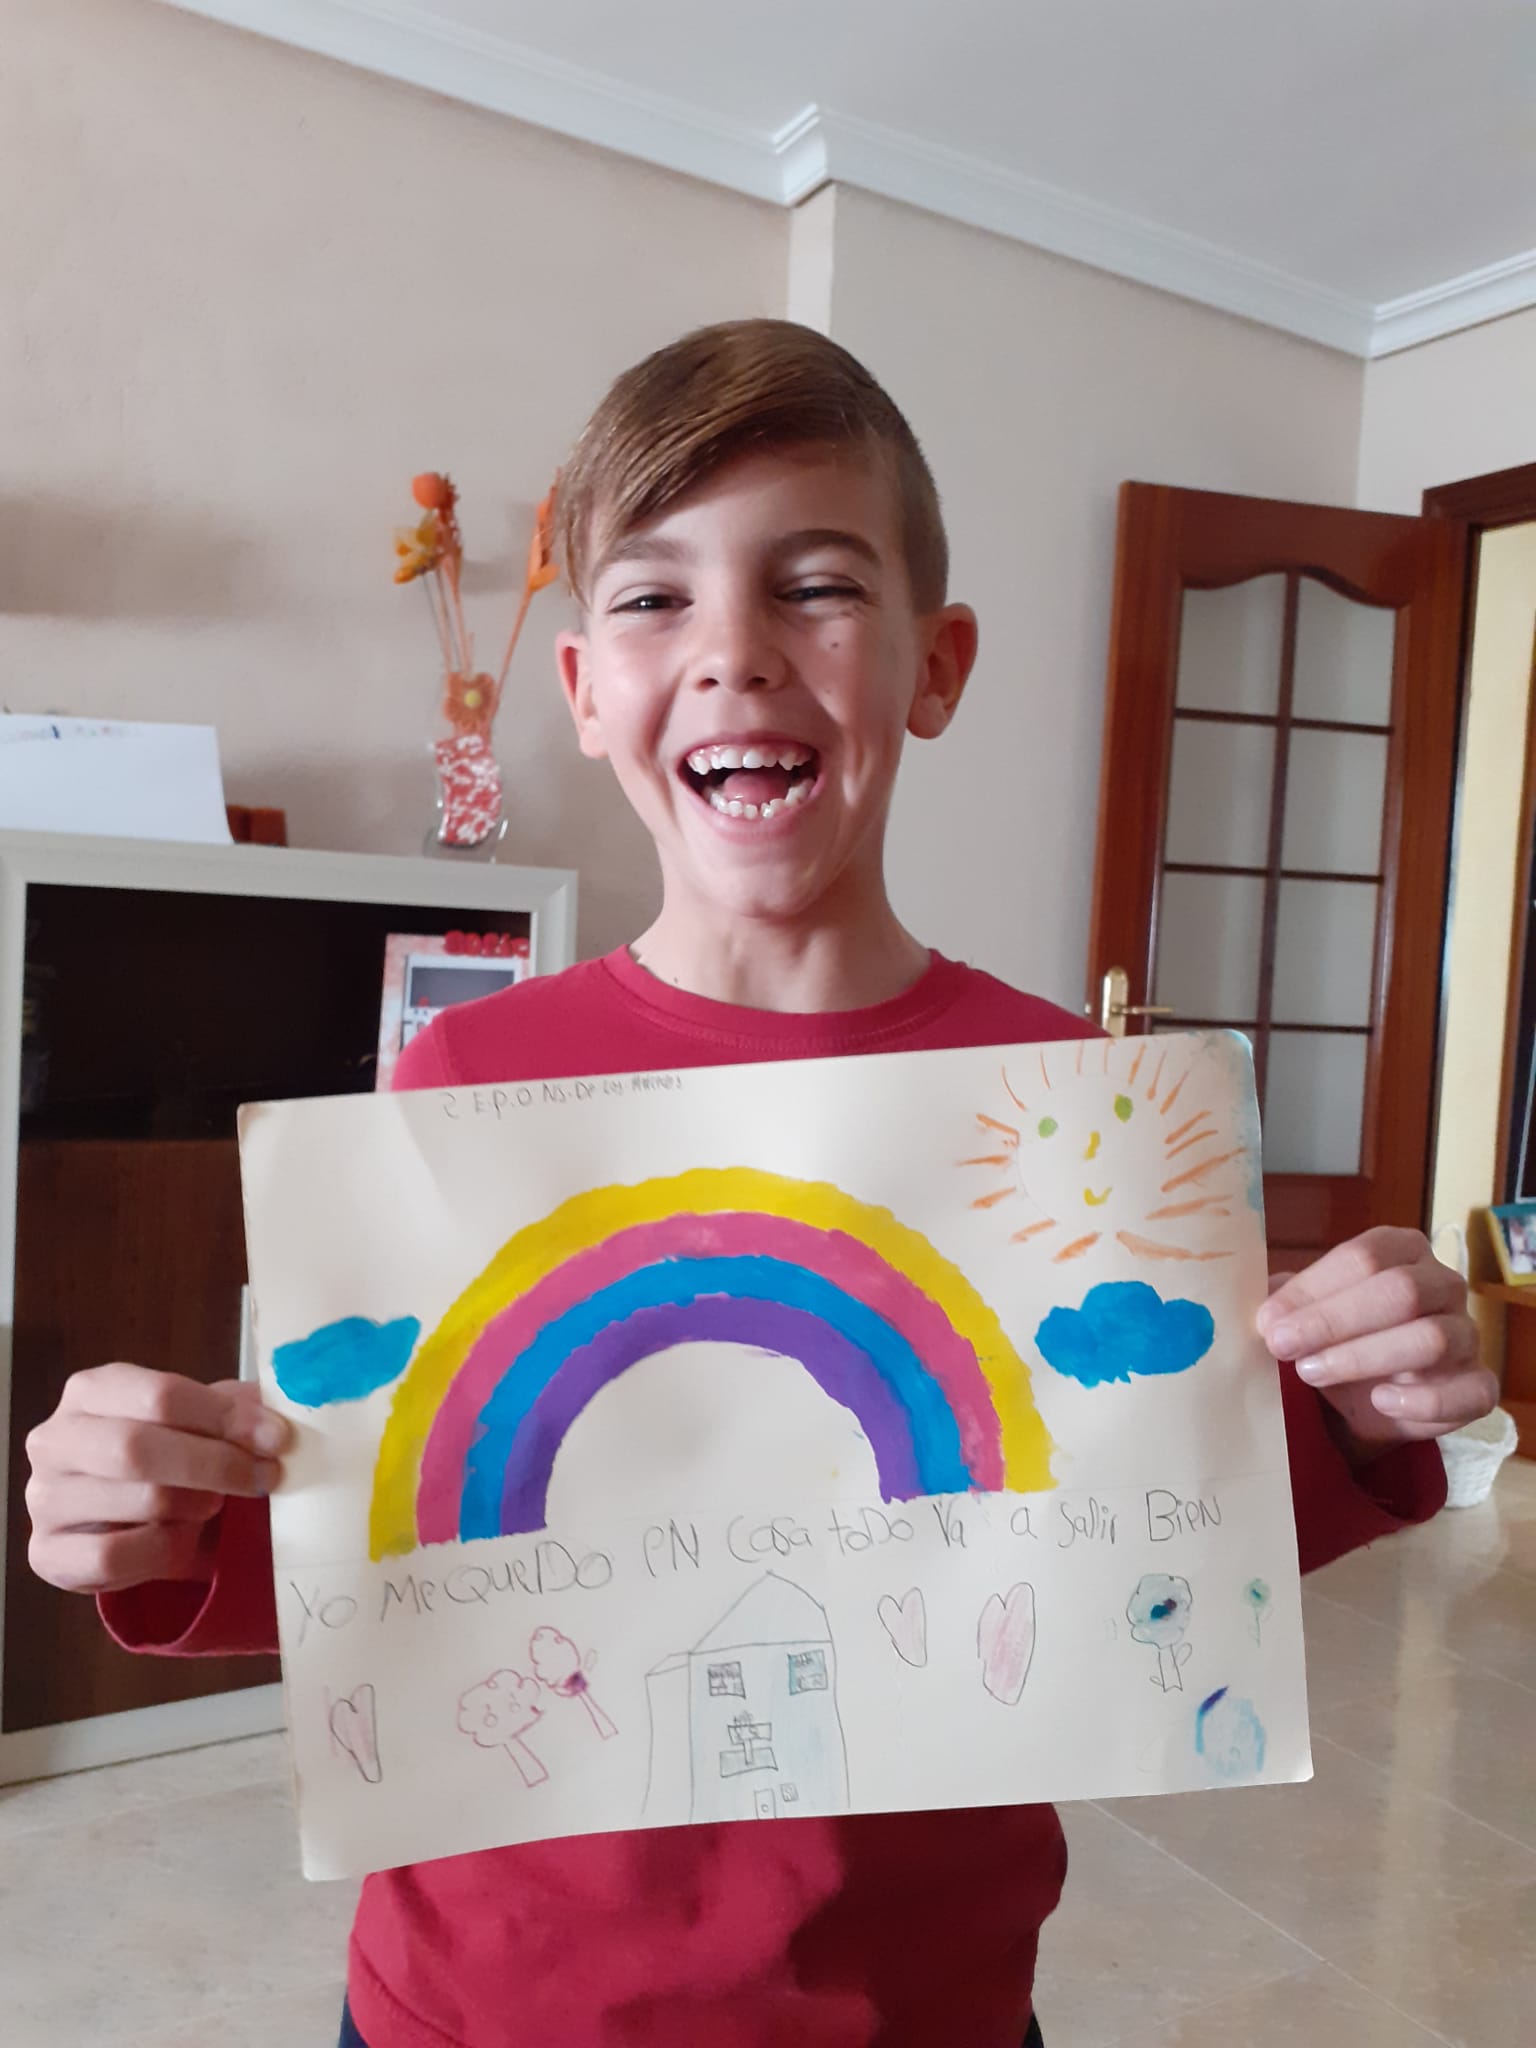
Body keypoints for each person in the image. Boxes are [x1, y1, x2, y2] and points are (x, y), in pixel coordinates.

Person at [24, 321, 1495, 2048]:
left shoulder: (1070, 1106)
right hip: (476, 2010)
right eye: (657, 598)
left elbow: (1133, 1527)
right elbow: (415, 1529)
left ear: (937, 665)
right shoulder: (463, 1081)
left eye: (817, 587)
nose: (734, 654)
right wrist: (162, 1514)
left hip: (922, 2007)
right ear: (585, 690)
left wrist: (1357, 1407)